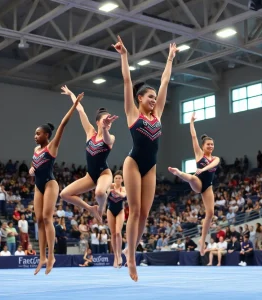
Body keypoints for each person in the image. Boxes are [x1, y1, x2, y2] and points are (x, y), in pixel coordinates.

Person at [112, 35, 178, 281]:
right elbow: (127, 80)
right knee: (135, 209)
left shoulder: (158, 113)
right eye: (149, 97)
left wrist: (170, 58)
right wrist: (124, 55)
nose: (153, 100)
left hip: (150, 167)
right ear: (140, 99)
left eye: (154, 98)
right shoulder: (131, 112)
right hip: (133, 163)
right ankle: (130, 260)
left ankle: (131, 249)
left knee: (145, 214)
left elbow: (165, 81)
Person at [30, 92, 84, 275]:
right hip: (38, 184)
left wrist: (74, 103)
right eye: (35, 134)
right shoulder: (36, 149)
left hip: (50, 184)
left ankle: (51, 255)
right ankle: (42, 257)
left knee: (47, 217)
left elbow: (63, 124)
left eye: (38, 134)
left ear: (47, 135)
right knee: (38, 220)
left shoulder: (51, 146)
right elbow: (35, 163)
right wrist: (32, 169)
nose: (35, 136)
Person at [60, 85, 118, 222]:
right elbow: (80, 109)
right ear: (97, 122)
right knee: (64, 194)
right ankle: (91, 208)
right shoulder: (90, 132)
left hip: (104, 173)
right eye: (105, 120)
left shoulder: (111, 137)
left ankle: (101, 208)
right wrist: (71, 94)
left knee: (99, 192)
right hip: (90, 176)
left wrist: (105, 128)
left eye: (109, 120)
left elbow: (107, 139)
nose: (108, 122)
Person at [168, 112, 219, 256]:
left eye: (212, 144)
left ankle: (202, 242)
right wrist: (191, 122)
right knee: (191, 178)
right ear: (203, 146)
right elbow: (194, 136)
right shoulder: (199, 154)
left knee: (210, 213)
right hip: (198, 182)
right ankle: (179, 173)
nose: (210, 146)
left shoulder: (216, 158)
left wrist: (203, 168)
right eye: (208, 144)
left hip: (207, 186)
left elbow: (213, 164)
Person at [107, 170, 127, 268]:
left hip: (120, 210)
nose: (118, 180)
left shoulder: (123, 188)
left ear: (122, 179)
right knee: (113, 234)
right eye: (116, 178)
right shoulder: (110, 186)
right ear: (113, 179)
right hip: (110, 210)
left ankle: (119, 255)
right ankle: (115, 256)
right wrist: (108, 190)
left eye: (119, 178)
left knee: (118, 232)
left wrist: (115, 192)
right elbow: (105, 194)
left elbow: (123, 195)